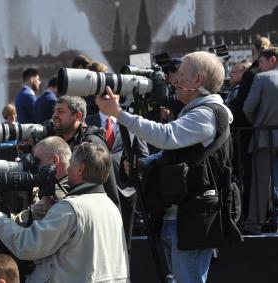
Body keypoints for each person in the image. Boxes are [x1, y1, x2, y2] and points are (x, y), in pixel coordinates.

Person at [97, 51, 241, 283]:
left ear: (198, 81)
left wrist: (119, 114)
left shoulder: (207, 114)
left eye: (181, 75)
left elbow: (166, 136)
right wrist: (145, 163)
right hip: (180, 214)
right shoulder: (194, 111)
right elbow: (175, 152)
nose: (173, 81)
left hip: (192, 215)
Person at [0, 142, 129, 282]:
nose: (68, 168)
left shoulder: (71, 208)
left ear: (80, 169)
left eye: (71, 164)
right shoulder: (111, 207)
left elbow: (27, 245)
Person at [52, 95, 121, 208]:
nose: (54, 115)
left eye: (60, 111)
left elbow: (89, 189)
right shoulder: (68, 140)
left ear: (78, 116)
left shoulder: (91, 145)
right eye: (54, 111)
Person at [243, 47, 278, 234]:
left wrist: (257, 122)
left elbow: (248, 107)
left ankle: (255, 224)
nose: (260, 66)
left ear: (273, 60)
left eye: (262, 62)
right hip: (268, 134)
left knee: (261, 181)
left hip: (265, 135)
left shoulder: (261, 79)